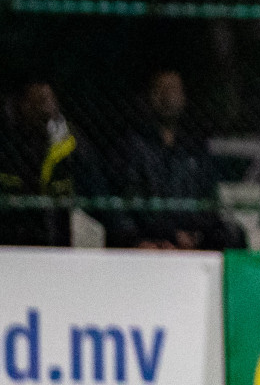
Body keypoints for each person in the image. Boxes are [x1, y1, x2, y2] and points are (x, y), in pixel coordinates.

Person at [112, 68, 243, 250]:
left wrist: (195, 235)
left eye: (173, 89)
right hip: (151, 233)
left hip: (191, 233)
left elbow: (208, 200)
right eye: (161, 89)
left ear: (184, 97)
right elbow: (134, 202)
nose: (168, 96)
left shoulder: (195, 146)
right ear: (150, 97)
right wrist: (170, 234)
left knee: (234, 235)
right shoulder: (134, 145)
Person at [0, 78, 108, 246]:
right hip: (11, 240)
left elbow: (95, 190)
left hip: (59, 238)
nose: (43, 109)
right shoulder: (7, 145)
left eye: (46, 101)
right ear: (20, 105)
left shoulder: (72, 144)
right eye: (34, 102)